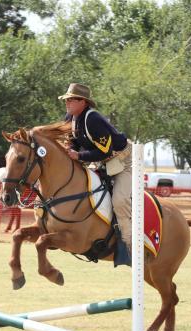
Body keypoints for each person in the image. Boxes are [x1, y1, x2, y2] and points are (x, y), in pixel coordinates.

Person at [59, 83, 132, 265]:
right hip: (103, 162)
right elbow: (74, 141)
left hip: (124, 162)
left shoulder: (93, 120)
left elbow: (106, 151)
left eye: (70, 100)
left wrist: (78, 155)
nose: (67, 103)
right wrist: (70, 148)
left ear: (82, 101)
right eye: (66, 100)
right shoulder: (71, 117)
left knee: (119, 201)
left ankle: (130, 244)